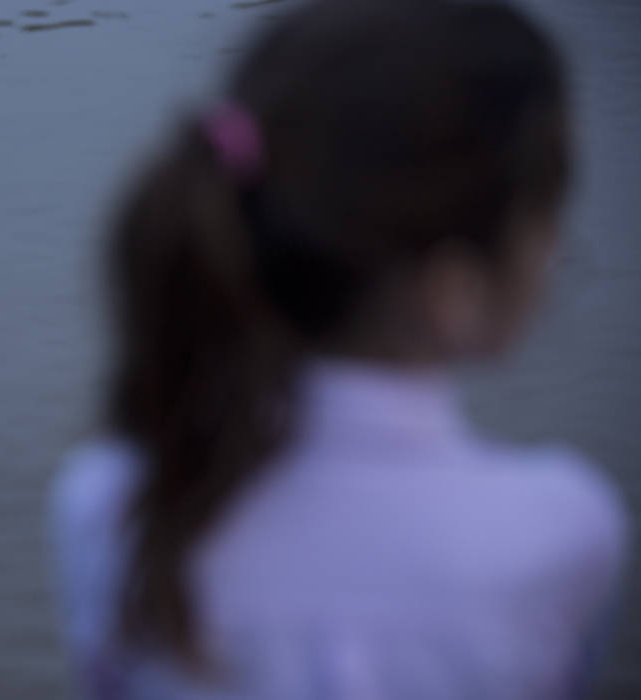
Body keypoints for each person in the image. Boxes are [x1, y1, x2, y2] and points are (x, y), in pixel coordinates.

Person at [50, 1, 629, 698]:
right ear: (453, 290)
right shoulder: (565, 533)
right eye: (547, 210)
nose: (558, 250)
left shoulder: (109, 508)